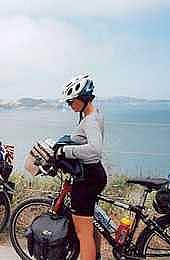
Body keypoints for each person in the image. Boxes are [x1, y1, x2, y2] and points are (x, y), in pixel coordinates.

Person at [57, 74, 107, 260]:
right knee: (90, 224)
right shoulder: (93, 116)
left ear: (83, 99)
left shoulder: (90, 120)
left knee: (82, 232)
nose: (70, 105)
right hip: (94, 174)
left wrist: (65, 151)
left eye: (71, 101)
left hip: (87, 178)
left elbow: (94, 150)